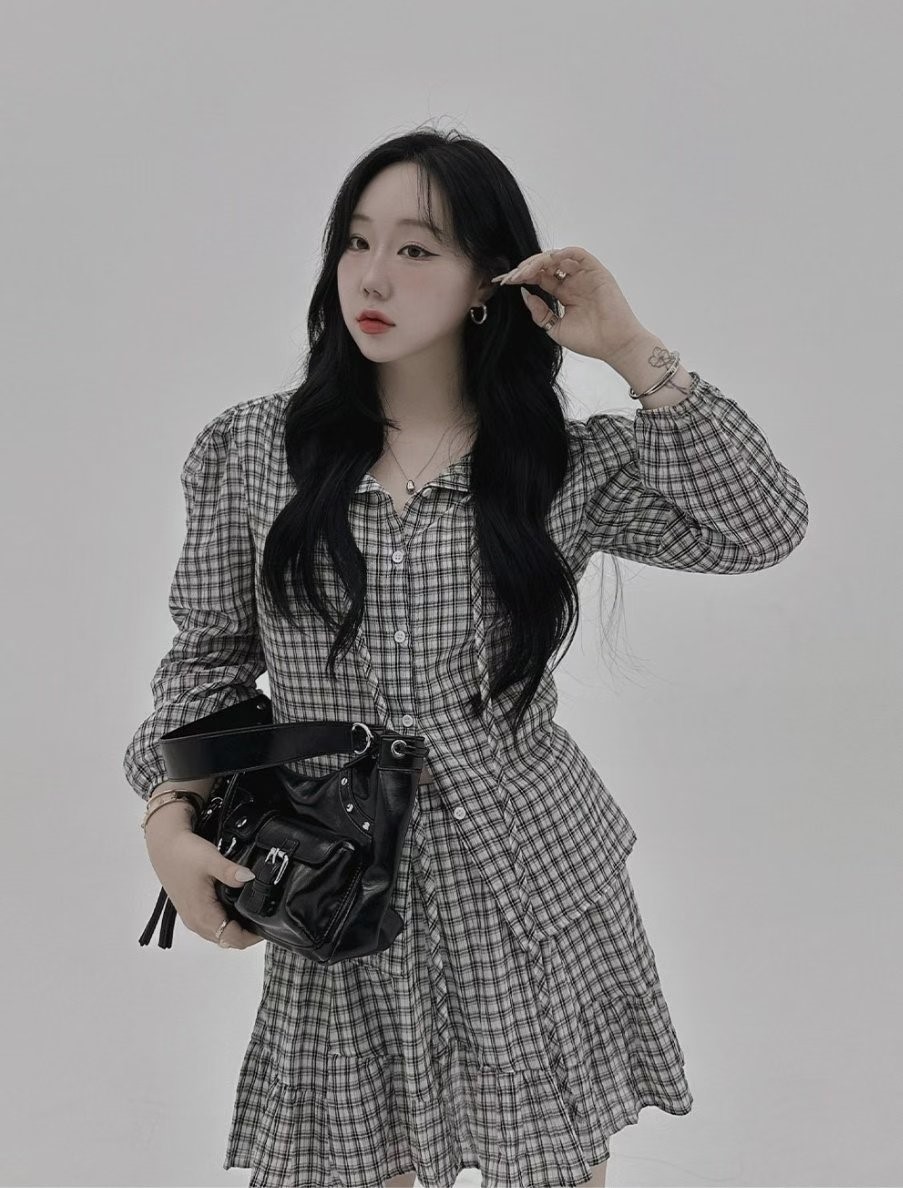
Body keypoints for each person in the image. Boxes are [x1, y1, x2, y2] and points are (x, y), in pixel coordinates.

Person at [125, 126, 809, 1188]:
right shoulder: (253, 451)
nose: (372, 276)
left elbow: (761, 527)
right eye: (357, 242)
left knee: (548, 1168)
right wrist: (168, 818)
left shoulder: (557, 467)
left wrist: (630, 347)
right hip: (341, 891)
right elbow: (205, 666)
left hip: (529, 885)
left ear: (488, 282)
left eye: (416, 249)